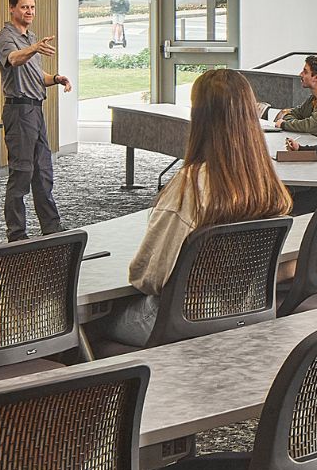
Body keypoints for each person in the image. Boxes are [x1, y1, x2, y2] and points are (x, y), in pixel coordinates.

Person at [95, 69, 293, 348]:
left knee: (89, 324)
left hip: (183, 317)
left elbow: (149, 277)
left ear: (200, 118)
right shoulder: (264, 180)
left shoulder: (192, 185)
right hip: (245, 312)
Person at [0, 0, 68, 241]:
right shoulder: (5, 37)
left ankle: (51, 227)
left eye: (32, 7)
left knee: (43, 171)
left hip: (36, 110)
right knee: (21, 173)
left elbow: (38, 77)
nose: (29, 11)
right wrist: (35, 49)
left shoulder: (30, 39)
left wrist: (56, 78)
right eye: (24, 7)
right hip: (18, 111)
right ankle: (16, 234)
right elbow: (14, 59)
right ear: (12, 8)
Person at [272, 53, 317, 138]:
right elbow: (293, 113)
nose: (300, 74)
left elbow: (311, 126)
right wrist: (294, 122)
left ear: (316, 78)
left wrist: (284, 124)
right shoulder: (314, 98)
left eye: (305, 72)